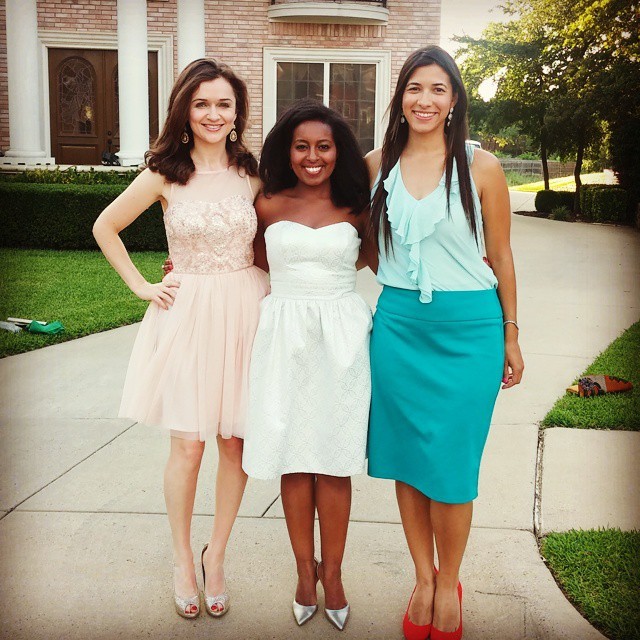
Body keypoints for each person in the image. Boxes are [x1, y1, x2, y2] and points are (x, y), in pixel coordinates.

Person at [92, 58, 269, 619]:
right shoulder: (164, 173)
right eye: (201, 103)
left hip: (245, 309)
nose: (213, 114)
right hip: (188, 312)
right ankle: (182, 559)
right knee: (189, 445)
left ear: (237, 112)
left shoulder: (253, 173)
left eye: (223, 104)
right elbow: (105, 226)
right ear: (184, 111)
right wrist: (142, 286)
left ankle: (216, 554)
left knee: (235, 442)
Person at [365, 46, 524, 640]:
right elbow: (337, 228)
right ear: (400, 98)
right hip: (399, 329)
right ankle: (424, 580)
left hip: (470, 332)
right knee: (408, 460)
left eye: (437, 89)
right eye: (414, 88)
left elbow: (501, 254)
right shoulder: (376, 164)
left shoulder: (482, 167)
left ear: (454, 98)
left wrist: (511, 332)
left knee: (453, 467)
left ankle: (450, 579)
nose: (425, 100)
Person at [241, 99, 373, 631]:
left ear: (339, 152)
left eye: (323, 146)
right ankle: (304, 572)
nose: (312, 156)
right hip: (283, 337)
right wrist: (183, 267)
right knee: (294, 456)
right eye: (301, 146)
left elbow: (382, 262)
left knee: (335, 459)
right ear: (287, 151)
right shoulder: (267, 203)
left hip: (343, 339)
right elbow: (247, 260)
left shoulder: (357, 206)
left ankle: (333, 574)